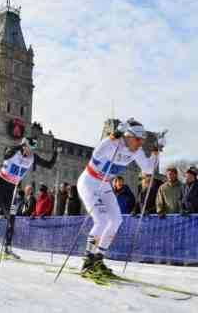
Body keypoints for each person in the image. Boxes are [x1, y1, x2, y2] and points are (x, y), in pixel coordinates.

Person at [77, 118, 160, 277]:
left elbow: (149, 168)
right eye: (137, 139)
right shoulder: (114, 144)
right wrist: (112, 137)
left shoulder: (136, 151)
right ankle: (87, 261)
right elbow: (97, 153)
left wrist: (156, 150)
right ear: (128, 136)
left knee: (116, 220)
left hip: (105, 183)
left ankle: (98, 259)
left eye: (142, 141)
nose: (140, 143)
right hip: (89, 181)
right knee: (101, 220)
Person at [0, 137, 58, 259]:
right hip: (0, 185)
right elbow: (6, 155)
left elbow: (48, 165)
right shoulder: (14, 152)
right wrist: (20, 146)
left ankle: (7, 247)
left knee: (11, 218)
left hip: (12, 189)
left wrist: (55, 153)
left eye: (33, 149)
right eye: (29, 148)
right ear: (23, 146)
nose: (30, 151)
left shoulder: (32, 157)